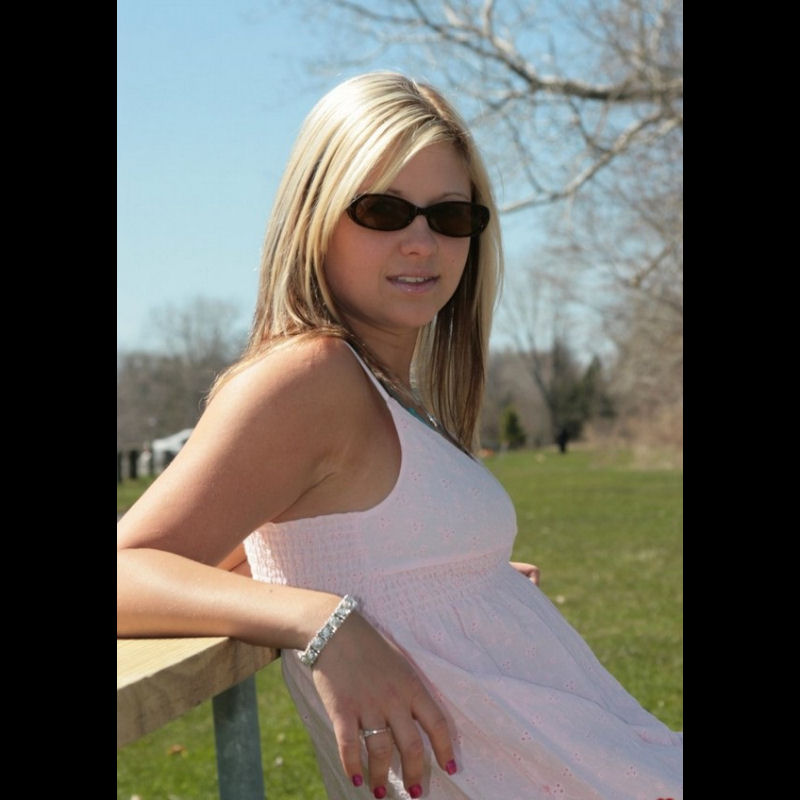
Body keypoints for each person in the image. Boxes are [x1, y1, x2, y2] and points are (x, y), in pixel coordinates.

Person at [117, 71, 682, 799]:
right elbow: (129, 568)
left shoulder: (382, 385)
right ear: (314, 216)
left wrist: (458, 579)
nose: (422, 243)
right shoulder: (308, 379)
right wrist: (324, 622)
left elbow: (288, 546)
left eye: (450, 216)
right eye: (382, 210)